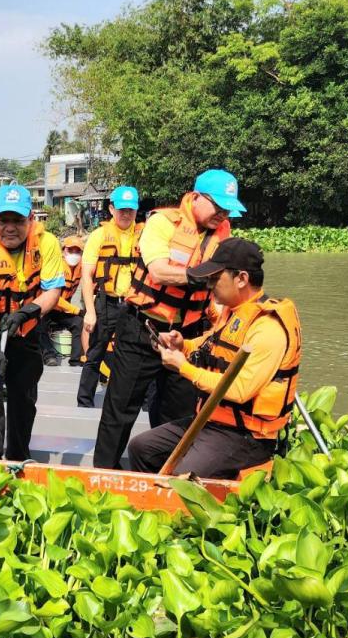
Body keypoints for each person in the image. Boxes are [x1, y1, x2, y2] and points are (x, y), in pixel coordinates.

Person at [92, 169, 243, 470]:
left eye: (228, 208)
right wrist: (197, 277)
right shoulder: (161, 223)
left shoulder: (223, 233)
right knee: (120, 410)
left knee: (176, 417)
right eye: (219, 206)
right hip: (141, 330)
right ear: (196, 197)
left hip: (186, 338)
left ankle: (165, 478)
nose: (223, 213)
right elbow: (159, 270)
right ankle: (104, 476)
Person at [128, 238, 302, 477]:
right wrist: (184, 345)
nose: (209, 285)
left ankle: (190, 505)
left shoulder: (268, 328)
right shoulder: (233, 311)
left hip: (245, 436)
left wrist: (183, 368)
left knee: (181, 477)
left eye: (215, 278)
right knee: (142, 448)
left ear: (241, 279)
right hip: (210, 421)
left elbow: (240, 390)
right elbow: (212, 344)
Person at [0, 184, 64, 461]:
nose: (10, 227)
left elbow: (53, 291)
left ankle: (19, 457)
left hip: (27, 326)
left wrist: (27, 312)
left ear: (31, 219)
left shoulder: (47, 244)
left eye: (18, 220)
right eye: (3, 220)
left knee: (24, 393)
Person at [77, 185, 143, 407]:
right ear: (111, 209)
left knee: (133, 356)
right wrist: (90, 312)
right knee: (94, 354)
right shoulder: (99, 235)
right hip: (107, 303)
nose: (126, 214)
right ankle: (84, 402)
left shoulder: (144, 236)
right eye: (122, 209)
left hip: (135, 306)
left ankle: (129, 401)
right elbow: (86, 276)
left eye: (130, 210)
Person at [39, 235, 85, 366]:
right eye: (71, 250)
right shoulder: (56, 266)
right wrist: (76, 310)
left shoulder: (81, 267)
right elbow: (53, 297)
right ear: (63, 250)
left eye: (77, 251)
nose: (74, 254)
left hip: (62, 309)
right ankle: (49, 355)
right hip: (47, 306)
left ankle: (76, 358)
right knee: (38, 324)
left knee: (79, 322)